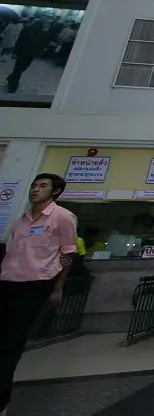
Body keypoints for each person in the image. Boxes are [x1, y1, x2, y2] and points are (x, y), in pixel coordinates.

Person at [0, 173, 76, 414]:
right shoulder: (21, 221)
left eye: (42, 186)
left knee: (10, 344)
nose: (35, 189)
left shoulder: (62, 217)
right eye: (34, 185)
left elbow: (67, 255)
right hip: (7, 283)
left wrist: (57, 287)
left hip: (35, 286)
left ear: (55, 191)